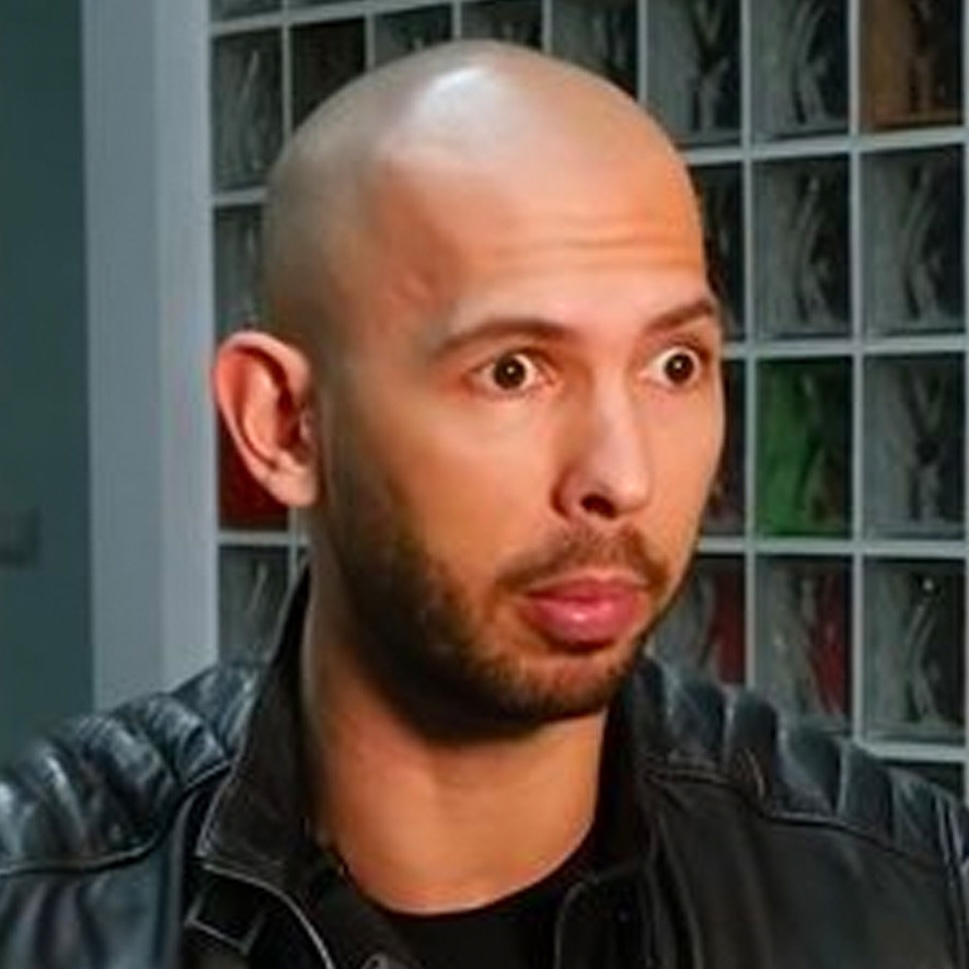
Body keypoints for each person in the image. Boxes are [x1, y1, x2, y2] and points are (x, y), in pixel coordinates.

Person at [1, 40, 967, 969]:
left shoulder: (911, 896)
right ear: (284, 424)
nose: (621, 477)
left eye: (673, 365)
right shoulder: (36, 907)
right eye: (512, 371)